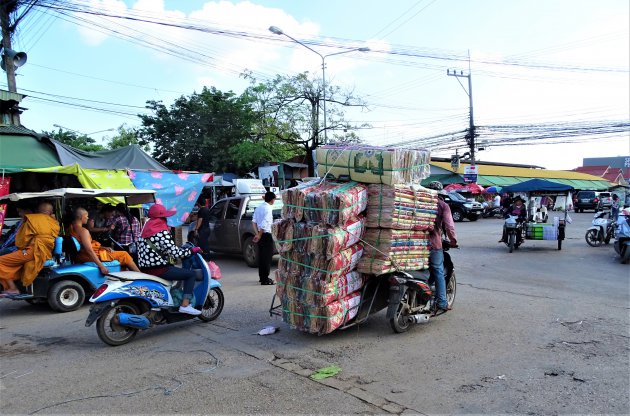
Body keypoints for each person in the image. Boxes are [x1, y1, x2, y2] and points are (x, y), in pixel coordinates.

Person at [136, 204, 203, 315]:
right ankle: (185, 305)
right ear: (162, 218)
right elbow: (176, 254)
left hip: (145, 269)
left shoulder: (144, 231)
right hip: (159, 270)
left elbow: (162, 250)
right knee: (191, 274)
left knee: (175, 270)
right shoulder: (161, 232)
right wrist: (192, 251)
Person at [0, 202, 60, 296]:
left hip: (31, 251)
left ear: (38, 211)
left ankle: (13, 288)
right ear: (51, 211)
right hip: (45, 252)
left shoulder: (32, 219)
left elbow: (21, 241)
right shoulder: (54, 222)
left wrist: (22, 248)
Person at [69, 207, 140, 274]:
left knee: (117, 255)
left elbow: (86, 246)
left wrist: (103, 247)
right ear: (81, 217)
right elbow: (89, 250)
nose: (88, 218)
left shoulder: (70, 229)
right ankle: (141, 276)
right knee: (125, 255)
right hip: (90, 256)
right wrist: (101, 266)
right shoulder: (83, 231)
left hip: (81, 255)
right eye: (86, 216)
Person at [425, 182, 458, 312]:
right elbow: (449, 226)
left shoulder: (419, 203)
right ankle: (443, 303)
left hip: (414, 245)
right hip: (433, 244)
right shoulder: (443, 205)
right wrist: (453, 241)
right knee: (438, 270)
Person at [252, 191, 276, 285]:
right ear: (272, 199)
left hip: (260, 234)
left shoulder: (259, 207)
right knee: (267, 257)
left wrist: (256, 234)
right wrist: (259, 234)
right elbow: (265, 223)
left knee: (262, 256)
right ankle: (265, 279)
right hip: (265, 234)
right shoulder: (268, 209)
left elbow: (253, 221)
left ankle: (262, 277)